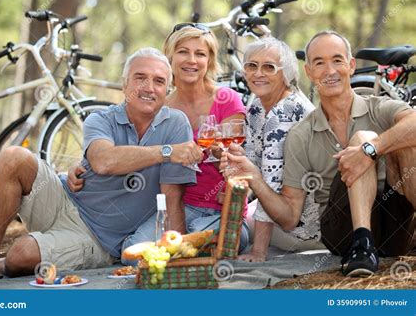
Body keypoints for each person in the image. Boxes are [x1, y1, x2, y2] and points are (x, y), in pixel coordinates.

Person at [0, 47, 202, 285]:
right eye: (140, 78)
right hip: (63, 198)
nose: (149, 87)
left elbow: (173, 200)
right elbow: (104, 161)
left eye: (158, 81)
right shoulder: (101, 118)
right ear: (124, 84)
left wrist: (176, 254)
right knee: (13, 156)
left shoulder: (175, 125)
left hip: (96, 237)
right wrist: (166, 152)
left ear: (167, 89)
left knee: (20, 256)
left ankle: (5, 262)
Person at [222, 30, 416, 277]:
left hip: (394, 226)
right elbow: (290, 217)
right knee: (362, 139)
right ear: (309, 72)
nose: (330, 70)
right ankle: (362, 245)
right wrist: (255, 179)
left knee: (401, 139)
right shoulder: (301, 134)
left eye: (337, 60)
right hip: (342, 231)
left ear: (351, 65)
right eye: (319, 62)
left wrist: (371, 149)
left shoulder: (378, 107)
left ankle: (375, 245)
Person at [68, 23, 251, 256]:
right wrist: (81, 163)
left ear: (210, 60)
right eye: (183, 51)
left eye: (200, 53)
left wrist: (221, 155)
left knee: (215, 242)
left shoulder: (227, 99)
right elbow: (130, 145)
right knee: (131, 254)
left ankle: (206, 246)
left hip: (217, 208)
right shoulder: (158, 104)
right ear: (170, 58)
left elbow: (232, 153)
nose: (191, 60)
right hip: (173, 206)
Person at [223, 37, 323, 263]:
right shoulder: (258, 105)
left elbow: (266, 185)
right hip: (281, 207)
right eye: (251, 66)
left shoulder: (285, 114)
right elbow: (250, 165)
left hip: (304, 229)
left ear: (285, 74)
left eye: (269, 67)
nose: (258, 73)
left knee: (224, 229)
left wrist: (258, 252)